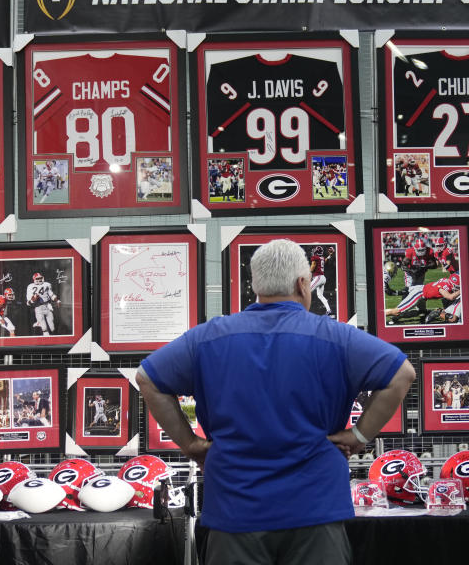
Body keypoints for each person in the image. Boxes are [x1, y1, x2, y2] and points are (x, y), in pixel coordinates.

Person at [137, 239, 414, 565]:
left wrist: (190, 445)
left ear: (256, 285)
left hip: (235, 510)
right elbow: (402, 374)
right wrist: (360, 436)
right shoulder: (336, 337)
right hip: (314, 509)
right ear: (302, 284)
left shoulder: (210, 337)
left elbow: (147, 379)